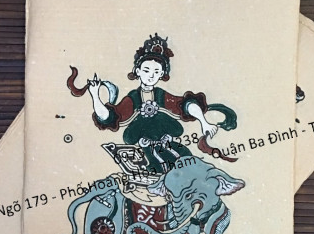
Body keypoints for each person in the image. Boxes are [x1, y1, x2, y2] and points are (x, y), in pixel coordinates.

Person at [86, 34, 219, 174]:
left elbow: (186, 105)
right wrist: (95, 95)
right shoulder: (133, 98)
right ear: (137, 71)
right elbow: (108, 117)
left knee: (189, 163)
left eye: (156, 72)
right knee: (156, 170)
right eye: (146, 70)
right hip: (146, 153)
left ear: (161, 74)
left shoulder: (161, 95)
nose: (151, 75)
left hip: (170, 145)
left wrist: (204, 122)